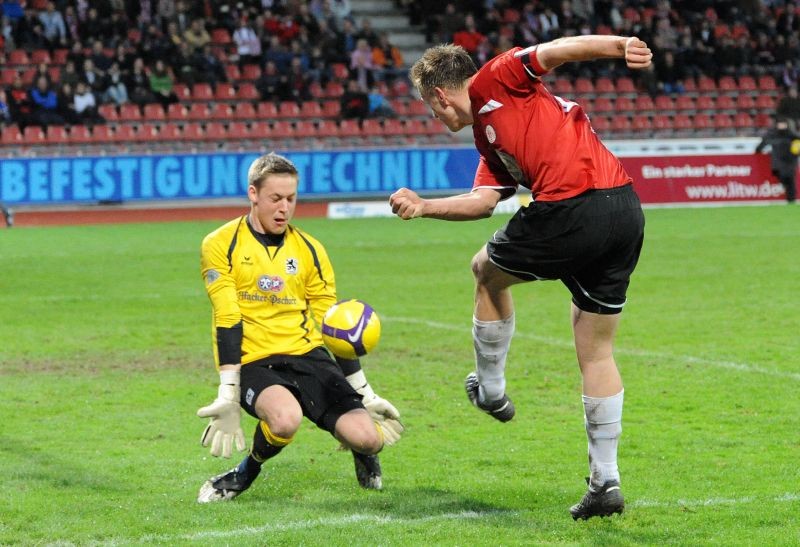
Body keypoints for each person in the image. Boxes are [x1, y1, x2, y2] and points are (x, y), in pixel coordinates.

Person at [389, 36, 652, 520]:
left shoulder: (497, 75)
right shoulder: (488, 136)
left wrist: (620, 46)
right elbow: (483, 202)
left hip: (572, 206)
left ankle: (489, 389)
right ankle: (605, 481)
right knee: (595, 346)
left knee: (485, 272)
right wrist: (425, 206)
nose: (435, 117)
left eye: (431, 108)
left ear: (441, 95)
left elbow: (556, 51)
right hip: (625, 210)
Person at [196, 153, 403, 503]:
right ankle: (246, 472)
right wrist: (228, 393)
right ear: (253, 194)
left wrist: (364, 392)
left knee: (368, 437)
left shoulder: (311, 250)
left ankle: (361, 451)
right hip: (254, 358)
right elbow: (227, 315)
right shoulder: (220, 244)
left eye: (291, 199)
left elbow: (333, 328)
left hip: (307, 353)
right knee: (285, 420)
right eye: (276, 198)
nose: (285, 208)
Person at [756, 118, 799, 204]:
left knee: (790, 178)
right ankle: (790, 195)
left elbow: (797, 143)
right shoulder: (773, 134)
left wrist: (796, 152)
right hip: (778, 161)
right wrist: (758, 151)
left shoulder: (791, 134)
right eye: (780, 124)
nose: (782, 126)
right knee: (782, 176)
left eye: (783, 124)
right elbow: (763, 143)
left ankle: (792, 199)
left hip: (790, 160)